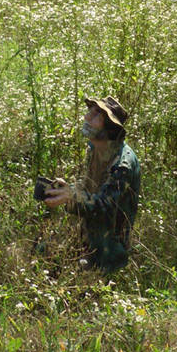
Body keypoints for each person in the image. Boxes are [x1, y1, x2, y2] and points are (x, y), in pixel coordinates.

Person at [45, 96, 141, 273]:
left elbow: (104, 205)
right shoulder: (94, 148)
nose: (87, 117)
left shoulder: (122, 164)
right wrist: (68, 189)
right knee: (43, 250)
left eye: (97, 115)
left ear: (110, 128)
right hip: (88, 237)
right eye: (90, 111)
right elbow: (89, 186)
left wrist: (71, 196)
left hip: (109, 251)